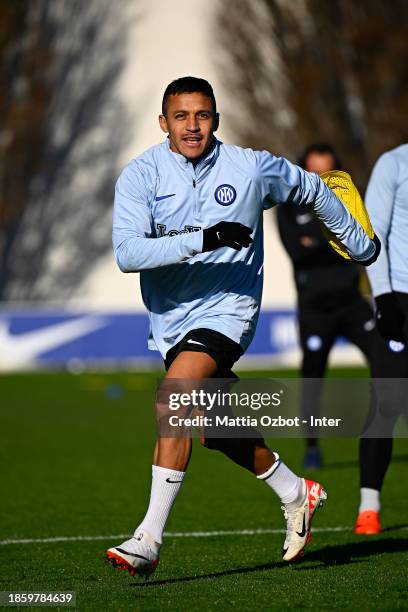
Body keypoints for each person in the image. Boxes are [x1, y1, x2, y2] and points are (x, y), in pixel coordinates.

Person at [106, 77, 379, 578]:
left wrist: (359, 245)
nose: (193, 126)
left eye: (203, 115)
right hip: (171, 319)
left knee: (175, 396)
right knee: (213, 430)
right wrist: (204, 238)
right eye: (182, 116)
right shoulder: (140, 175)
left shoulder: (250, 168)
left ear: (216, 119)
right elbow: (128, 253)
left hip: (229, 309)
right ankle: (296, 493)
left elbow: (314, 188)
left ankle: (148, 537)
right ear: (163, 122)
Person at [277, 144, 375, 470]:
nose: (320, 178)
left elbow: (361, 241)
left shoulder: (346, 198)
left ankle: (379, 434)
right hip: (315, 307)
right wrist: (333, 239)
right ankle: (313, 447)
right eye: (314, 171)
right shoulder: (290, 205)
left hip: (352, 302)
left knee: (389, 364)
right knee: (312, 377)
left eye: (326, 172)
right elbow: (298, 251)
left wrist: (316, 240)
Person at [355, 144, 408, 535]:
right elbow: (372, 235)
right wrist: (384, 296)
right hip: (400, 302)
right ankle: (369, 506)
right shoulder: (393, 163)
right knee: (386, 405)